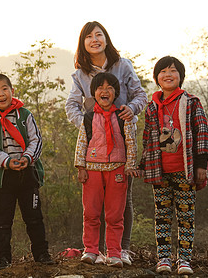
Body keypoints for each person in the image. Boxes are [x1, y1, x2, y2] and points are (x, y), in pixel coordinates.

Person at [65, 21, 147, 265]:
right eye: (89, 36)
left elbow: (140, 94)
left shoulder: (123, 65)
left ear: (106, 39)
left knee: (121, 201)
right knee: (93, 203)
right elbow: (71, 104)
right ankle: (95, 250)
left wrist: (130, 110)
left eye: (99, 34)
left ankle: (121, 250)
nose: (95, 39)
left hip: (123, 142)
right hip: (94, 148)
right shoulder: (80, 73)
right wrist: (88, 125)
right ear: (83, 43)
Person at [139, 56, 208, 275]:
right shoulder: (152, 107)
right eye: (162, 71)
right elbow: (147, 139)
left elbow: (202, 134)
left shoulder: (191, 102)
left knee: (186, 216)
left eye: (173, 71)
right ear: (156, 78)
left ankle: (184, 260)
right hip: (160, 170)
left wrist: (201, 164)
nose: (167, 75)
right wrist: (143, 165)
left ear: (180, 76)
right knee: (162, 215)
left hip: (185, 170)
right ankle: (163, 259)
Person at [0, 74, 54, 270]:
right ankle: (2, 259)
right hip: (3, 176)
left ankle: (41, 254)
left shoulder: (25, 114)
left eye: (4, 89)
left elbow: (36, 140)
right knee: (2, 220)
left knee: (34, 217)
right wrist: (7, 161)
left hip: (27, 172)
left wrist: (27, 158)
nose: (1, 94)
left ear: (12, 91)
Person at [74, 72, 138, 268]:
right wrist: (80, 166)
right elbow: (81, 143)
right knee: (91, 212)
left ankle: (115, 253)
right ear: (93, 93)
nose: (105, 91)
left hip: (117, 170)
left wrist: (130, 165)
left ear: (115, 93)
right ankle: (91, 250)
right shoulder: (88, 117)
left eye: (109, 87)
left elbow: (130, 142)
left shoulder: (123, 116)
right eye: (100, 88)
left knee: (115, 214)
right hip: (92, 169)